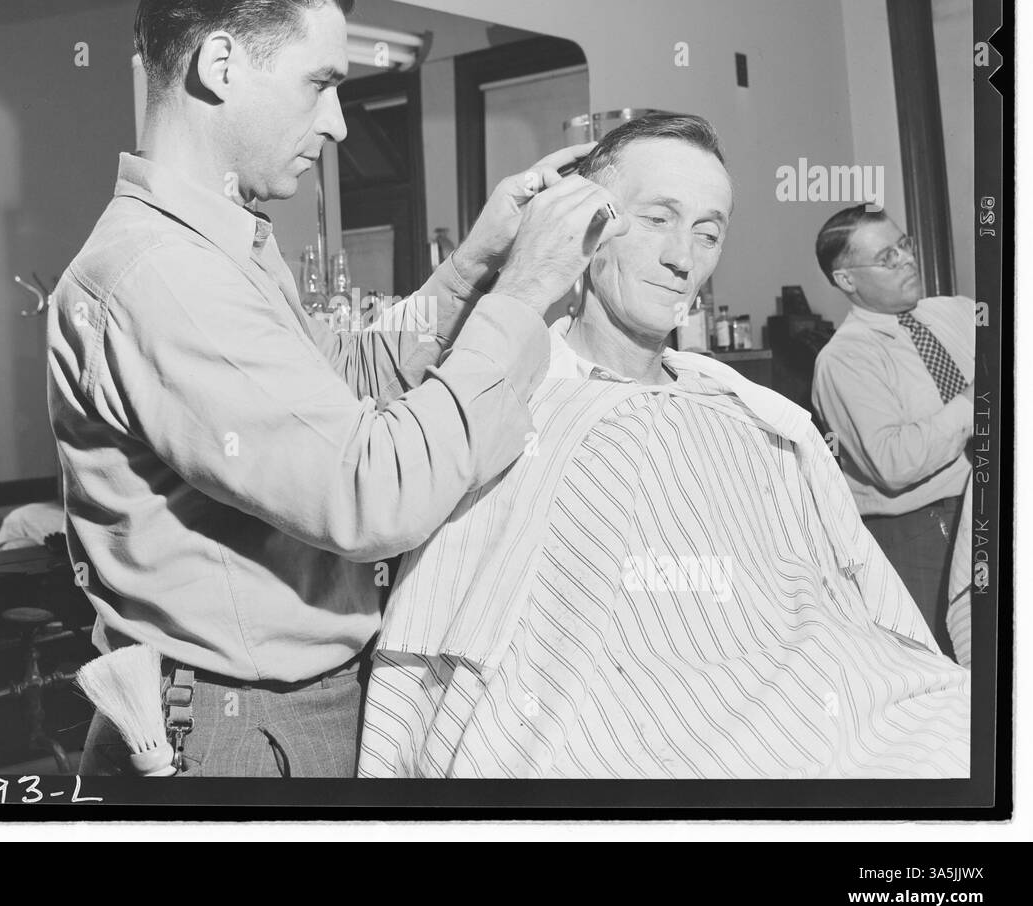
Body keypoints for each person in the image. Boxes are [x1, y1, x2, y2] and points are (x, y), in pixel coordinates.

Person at [47, 0, 619, 777]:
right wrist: (527, 289)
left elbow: (342, 382)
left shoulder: (221, 243)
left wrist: (474, 268)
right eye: (320, 84)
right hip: (239, 729)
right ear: (220, 65)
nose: (340, 123)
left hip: (283, 705)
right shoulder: (162, 277)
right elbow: (369, 486)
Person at [359, 113, 969, 779]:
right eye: (658, 219)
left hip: (819, 701)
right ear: (585, 228)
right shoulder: (506, 406)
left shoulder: (757, 420)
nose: (685, 257)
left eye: (708, 232)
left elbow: (839, 605)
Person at [811, 205, 975, 656]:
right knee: (942, 673)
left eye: (904, 245)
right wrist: (972, 403)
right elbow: (893, 462)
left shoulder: (956, 314)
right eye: (888, 257)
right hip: (922, 536)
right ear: (847, 280)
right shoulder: (844, 358)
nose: (907, 259)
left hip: (981, 511)